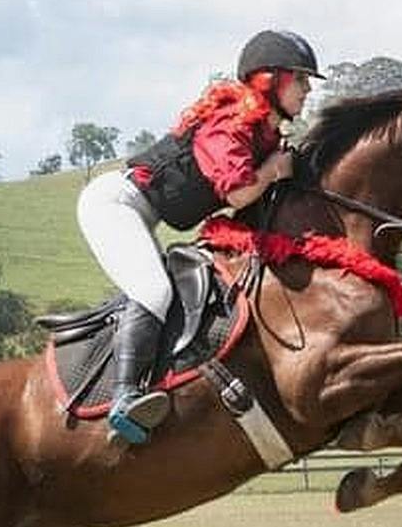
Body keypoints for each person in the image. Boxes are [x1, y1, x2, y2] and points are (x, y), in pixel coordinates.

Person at [76, 30, 322, 442]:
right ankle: (124, 398)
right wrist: (272, 170)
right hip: (115, 204)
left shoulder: (264, 131)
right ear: (269, 79)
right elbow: (238, 192)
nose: (307, 89)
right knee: (154, 290)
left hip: (144, 212)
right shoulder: (229, 121)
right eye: (300, 79)